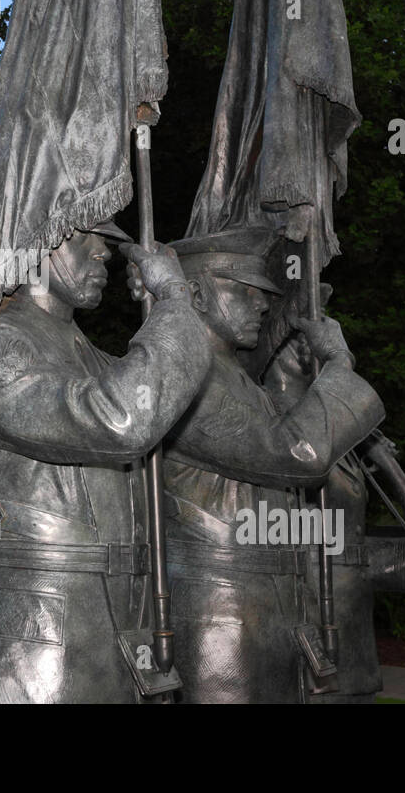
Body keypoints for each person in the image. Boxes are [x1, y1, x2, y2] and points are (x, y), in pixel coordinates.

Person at [0, 220, 214, 703]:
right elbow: (120, 420)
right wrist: (174, 299)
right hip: (36, 643)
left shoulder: (99, 360)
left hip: (120, 633)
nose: (104, 251)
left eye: (107, 239)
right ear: (33, 238)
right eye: (82, 233)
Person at [161, 226, 385, 702]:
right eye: (243, 290)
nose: (262, 304)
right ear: (195, 294)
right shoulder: (189, 377)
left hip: (266, 610)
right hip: (222, 617)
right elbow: (296, 456)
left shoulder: (238, 383)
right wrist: (338, 365)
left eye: (263, 293)